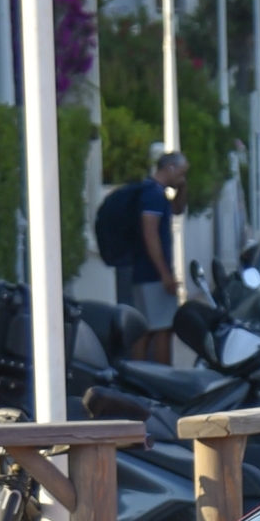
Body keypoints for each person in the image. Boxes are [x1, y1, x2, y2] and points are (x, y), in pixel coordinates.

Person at [107, 150, 187, 363]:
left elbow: (178, 209)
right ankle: (163, 380)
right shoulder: (152, 196)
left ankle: (139, 377)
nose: (182, 177)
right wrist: (165, 275)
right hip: (152, 274)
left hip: (147, 273)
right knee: (163, 329)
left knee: (148, 329)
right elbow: (149, 234)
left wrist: (182, 187)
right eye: (180, 172)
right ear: (169, 167)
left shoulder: (156, 193)